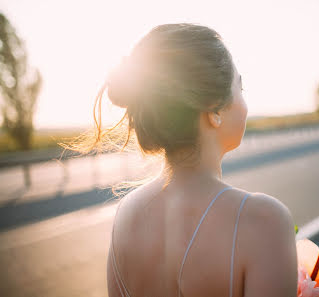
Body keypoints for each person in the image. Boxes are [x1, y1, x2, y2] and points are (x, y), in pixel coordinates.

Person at [83, 24, 297, 297]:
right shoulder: (263, 220)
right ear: (215, 109)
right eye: (240, 87)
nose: (245, 103)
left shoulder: (126, 214)